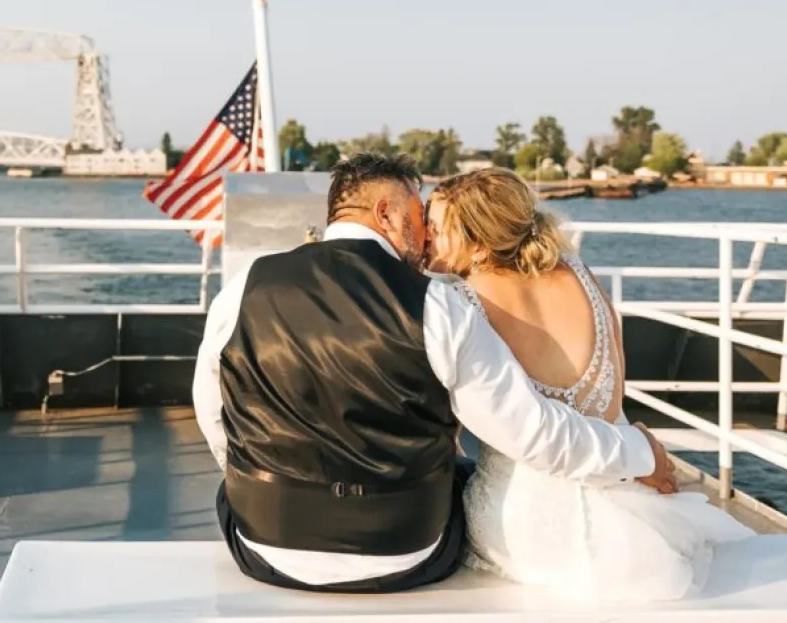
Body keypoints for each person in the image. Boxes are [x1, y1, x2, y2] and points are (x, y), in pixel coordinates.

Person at [192, 152, 677, 594]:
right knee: (462, 474)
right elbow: (532, 434)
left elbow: (215, 415)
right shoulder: (438, 306)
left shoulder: (242, 287)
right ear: (386, 214)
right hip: (405, 552)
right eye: (418, 215)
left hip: (265, 546)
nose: (424, 235)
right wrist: (639, 452)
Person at [425, 167, 754, 601]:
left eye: (436, 228)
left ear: (476, 237)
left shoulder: (454, 297)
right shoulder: (579, 274)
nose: (425, 238)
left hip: (525, 525)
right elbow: (616, 384)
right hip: (632, 512)